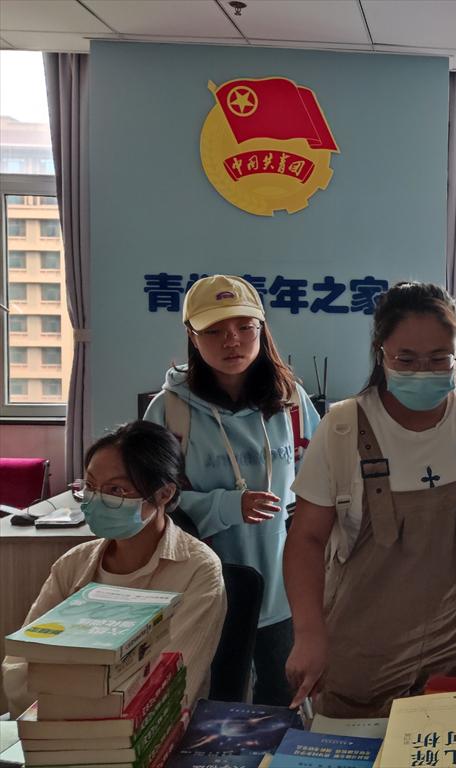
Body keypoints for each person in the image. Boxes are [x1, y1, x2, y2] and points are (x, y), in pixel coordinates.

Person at [284, 282, 456, 717]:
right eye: (407, 359)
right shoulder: (344, 427)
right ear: (381, 354)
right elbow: (305, 538)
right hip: (363, 653)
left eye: (438, 359)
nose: (423, 372)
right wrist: (308, 633)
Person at [144, 274, 320, 706]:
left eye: (245, 326)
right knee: (210, 709)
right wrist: (225, 506)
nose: (232, 340)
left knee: (282, 705)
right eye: (215, 330)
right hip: (203, 591)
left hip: (283, 591)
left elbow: (320, 484)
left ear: (262, 329)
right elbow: (149, 502)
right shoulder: (169, 409)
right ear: (192, 335)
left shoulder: (291, 402)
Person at [2, 421, 226, 715]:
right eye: (90, 486)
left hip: (143, 733)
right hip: (48, 724)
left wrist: (65, 694)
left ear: (164, 494)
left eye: (116, 489)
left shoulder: (197, 570)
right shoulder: (73, 564)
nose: (97, 499)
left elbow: (166, 687)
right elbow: (19, 665)